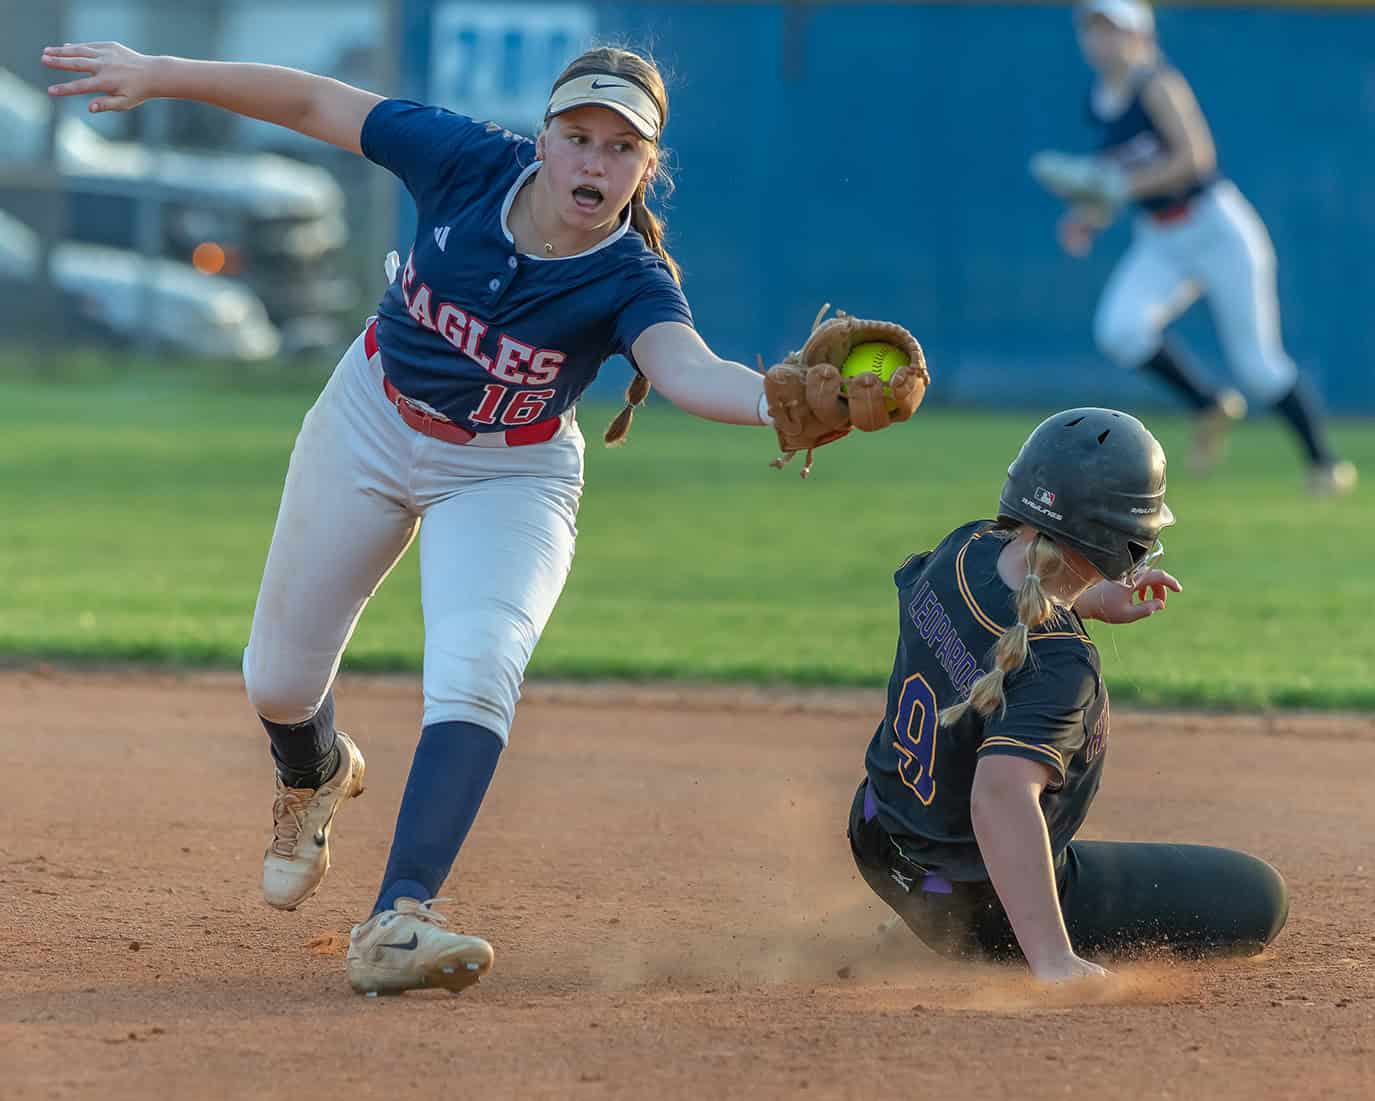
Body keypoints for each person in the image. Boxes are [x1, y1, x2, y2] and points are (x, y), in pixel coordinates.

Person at [43, 40, 922, 995]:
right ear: (542, 138)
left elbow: (685, 370)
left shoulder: (630, 279)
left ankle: (399, 916)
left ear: (646, 167)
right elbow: (312, 101)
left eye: (620, 148)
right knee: (280, 680)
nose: (594, 162)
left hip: (508, 473)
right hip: (369, 418)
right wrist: (158, 73)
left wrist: (773, 399)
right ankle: (315, 769)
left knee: (477, 666)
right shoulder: (463, 158)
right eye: (577, 136)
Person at [848, 407, 1288, 981]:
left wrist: (1092, 596)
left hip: (878, 837)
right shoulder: (1059, 662)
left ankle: (927, 908)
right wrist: (1056, 963)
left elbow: (1013, 595)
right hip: (971, 909)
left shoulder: (966, 548)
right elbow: (1001, 798)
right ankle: (994, 936)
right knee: (1257, 896)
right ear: (1122, 541)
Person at [1030, 0, 1356, 496]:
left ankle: (1324, 464)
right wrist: (1089, 217)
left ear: (1140, 34)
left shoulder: (1156, 82)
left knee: (1259, 367)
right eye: (1093, 28)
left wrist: (1117, 186)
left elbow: (1195, 159)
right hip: (1161, 237)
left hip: (1216, 227)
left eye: (1112, 28)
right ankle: (1207, 404)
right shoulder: (1099, 98)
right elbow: (1120, 175)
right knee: (1120, 330)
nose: (1102, 39)